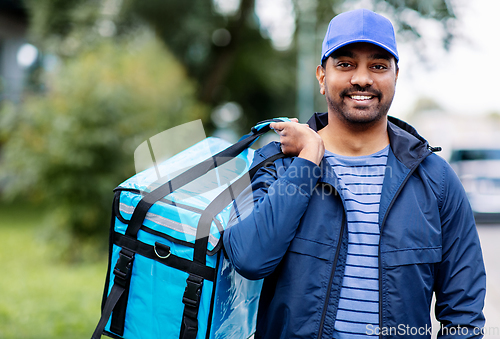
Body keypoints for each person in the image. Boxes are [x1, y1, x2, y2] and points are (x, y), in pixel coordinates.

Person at [223, 8, 486, 339]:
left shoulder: (437, 181)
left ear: (395, 76)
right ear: (321, 76)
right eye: (345, 64)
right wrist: (309, 158)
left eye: (378, 66)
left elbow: (463, 313)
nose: (362, 78)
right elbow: (249, 257)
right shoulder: (279, 165)